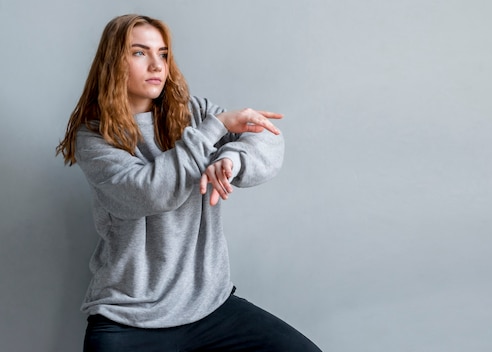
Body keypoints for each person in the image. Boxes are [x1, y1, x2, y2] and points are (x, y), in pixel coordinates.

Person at [56, 14, 321, 352]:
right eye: (139, 53)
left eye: (163, 53)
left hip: (211, 308)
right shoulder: (95, 135)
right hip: (129, 318)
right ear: (113, 62)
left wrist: (232, 158)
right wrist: (214, 130)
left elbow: (266, 137)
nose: (156, 64)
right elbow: (148, 192)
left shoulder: (193, 113)